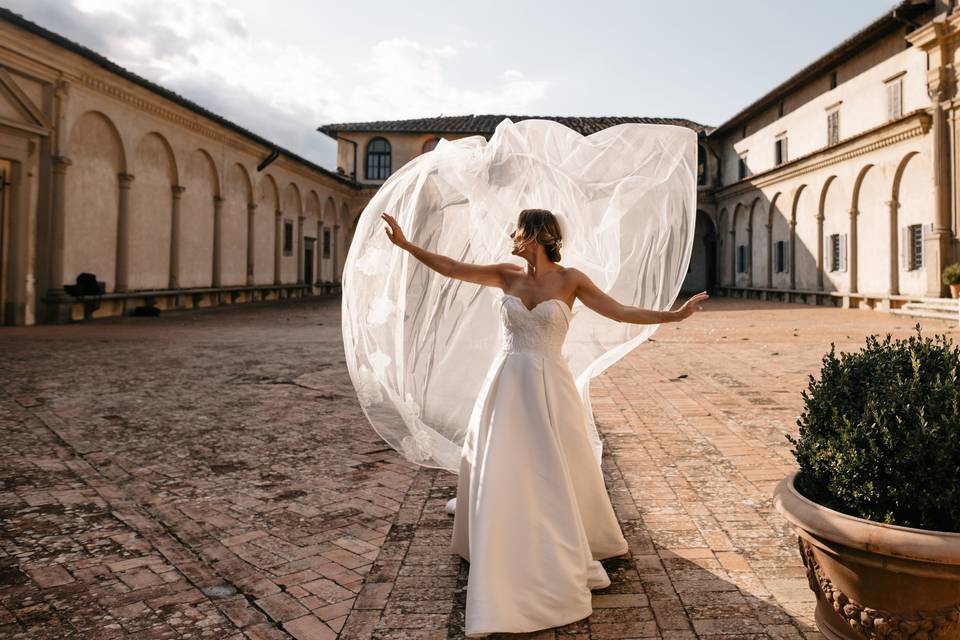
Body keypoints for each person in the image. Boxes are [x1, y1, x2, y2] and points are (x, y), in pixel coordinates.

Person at [381, 207, 707, 637]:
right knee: (503, 462)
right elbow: (452, 267)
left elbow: (620, 312)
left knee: (550, 468)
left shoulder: (571, 280)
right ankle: (502, 531)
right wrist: (406, 246)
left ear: (535, 234)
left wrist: (675, 316)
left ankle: (555, 542)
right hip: (507, 384)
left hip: (550, 386)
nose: (511, 233)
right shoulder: (506, 275)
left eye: (518, 228)